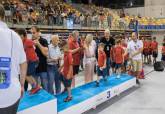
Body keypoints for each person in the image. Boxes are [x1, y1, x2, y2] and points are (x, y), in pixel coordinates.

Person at [0, 4, 27, 114]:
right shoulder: (15, 36)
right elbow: (23, 63)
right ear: (3, 15)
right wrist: (21, 84)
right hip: (12, 94)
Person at [17, 28, 41, 95]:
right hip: (30, 61)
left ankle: (35, 87)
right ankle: (35, 87)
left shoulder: (27, 41)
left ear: (22, 35)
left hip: (33, 61)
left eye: (18, 35)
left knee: (26, 75)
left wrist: (37, 39)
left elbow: (34, 43)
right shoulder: (22, 42)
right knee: (28, 75)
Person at [31, 26, 49, 92]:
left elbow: (45, 53)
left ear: (38, 32)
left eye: (34, 32)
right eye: (31, 33)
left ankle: (47, 101)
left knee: (45, 86)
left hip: (42, 68)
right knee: (35, 87)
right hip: (33, 69)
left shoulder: (44, 41)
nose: (32, 34)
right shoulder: (30, 42)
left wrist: (38, 44)